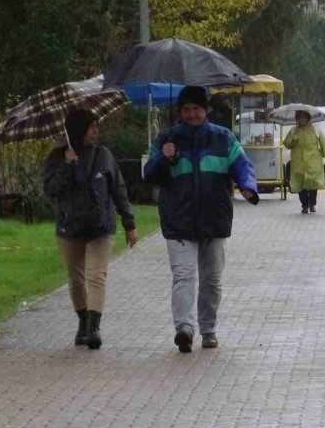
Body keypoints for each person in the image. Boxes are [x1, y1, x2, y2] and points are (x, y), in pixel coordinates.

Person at [144, 85, 259, 353]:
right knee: (183, 276)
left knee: (211, 279)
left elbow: (243, 165)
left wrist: (247, 185)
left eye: (196, 108)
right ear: (179, 112)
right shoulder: (166, 140)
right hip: (178, 221)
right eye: (186, 109)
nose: (192, 114)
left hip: (214, 219)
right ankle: (184, 328)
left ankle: (208, 329)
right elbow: (149, 173)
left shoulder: (223, 138)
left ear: (206, 110)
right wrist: (164, 157)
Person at [43, 110, 138, 350]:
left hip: (101, 227)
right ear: (77, 131)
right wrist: (66, 165)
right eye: (91, 127)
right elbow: (51, 190)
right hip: (69, 229)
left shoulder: (103, 155)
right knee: (76, 279)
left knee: (96, 276)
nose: (96, 132)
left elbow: (118, 189)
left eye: (96, 127)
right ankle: (83, 323)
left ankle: (94, 328)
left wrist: (129, 224)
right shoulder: (56, 157)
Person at [283, 110, 325, 214]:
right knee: (300, 185)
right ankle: (304, 205)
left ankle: (312, 204)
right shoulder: (293, 131)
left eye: (304, 117)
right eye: (300, 118)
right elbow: (286, 143)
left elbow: (324, 144)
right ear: (297, 119)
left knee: (313, 184)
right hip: (298, 163)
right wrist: (293, 141)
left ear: (308, 118)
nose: (302, 120)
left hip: (313, 162)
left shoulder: (316, 130)